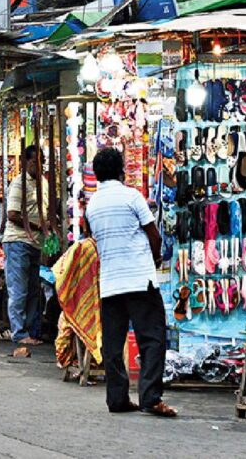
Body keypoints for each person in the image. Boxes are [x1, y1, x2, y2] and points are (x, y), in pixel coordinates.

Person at [85, 148, 176, 417]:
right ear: (121, 170)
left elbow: (93, 238)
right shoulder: (132, 196)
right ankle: (150, 396)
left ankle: (117, 399)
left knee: (113, 344)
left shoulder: (92, 205)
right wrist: (156, 258)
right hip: (139, 279)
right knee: (153, 338)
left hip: (111, 282)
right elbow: (153, 235)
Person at [2, 145, 49, 345]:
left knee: (32, 290)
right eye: (33, 161)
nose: (37, 165)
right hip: (18, 241)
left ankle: (29, 331)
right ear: (25, 162)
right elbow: (12, 215)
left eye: (40, 161)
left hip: (35, 243)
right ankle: (19, 333)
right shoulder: (19, 183)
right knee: (19, 290)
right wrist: (37, 225)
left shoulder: (44, 184)